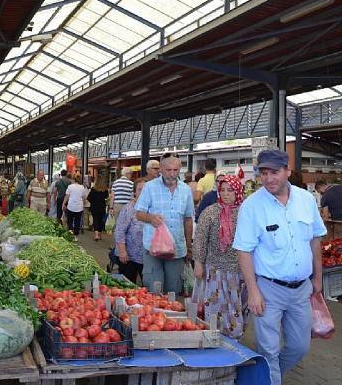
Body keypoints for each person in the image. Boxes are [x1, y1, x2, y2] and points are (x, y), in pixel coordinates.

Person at [233, 149, 327, 385]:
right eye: (263, 173)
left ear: (287, 171)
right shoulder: (252, 206)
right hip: (268, 289)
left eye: (274, 172)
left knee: (300, 346)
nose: (268, 178)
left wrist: (318, 277)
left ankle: (264, 375)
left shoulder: (306, 200)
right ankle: (270, 378)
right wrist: (253, 292)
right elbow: (244, 251)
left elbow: (315, 239)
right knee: (269, 350)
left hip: (301, 289)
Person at [194, 175, 248, 339]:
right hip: (215, 269)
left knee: (239, 306)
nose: (225, 194)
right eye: (222, 190)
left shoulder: (247, 212)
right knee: (216, 306)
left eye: (230, 190)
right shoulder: (210, 212)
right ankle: (215, 336)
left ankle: (234, 337)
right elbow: (200, 239)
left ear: (238, 191)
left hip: (241, 269)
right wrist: (198, 263)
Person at [135, 154, 194, 293]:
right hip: (153, 248)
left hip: (177, 249)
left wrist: (189, 246)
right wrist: (150, 218)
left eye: (175, 170)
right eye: (168, 170)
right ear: (161, 169)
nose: (172, 174)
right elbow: (138, 213)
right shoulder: (149, 187)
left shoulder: (185, 190)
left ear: (180, 169)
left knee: (173, 289)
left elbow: (188, 219)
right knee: (154, 288)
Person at [115, 179, 147, 284]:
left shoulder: (153, 208)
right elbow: (120, 231)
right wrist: (122, 251)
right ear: (134, 193)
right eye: (140, 189)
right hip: (129, 257)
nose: (143, 192)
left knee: (147, 288)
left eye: (146, 190)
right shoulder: (128, 209)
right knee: (129, 286)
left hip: (147, 257)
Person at [62, 174, 85, 240]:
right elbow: (83, 198)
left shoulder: (70, 187)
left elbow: (67, 196)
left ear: (73, 179)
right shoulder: (82, 187)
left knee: (70, 221)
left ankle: (70, 233)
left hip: (71, 207)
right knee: (77, 222)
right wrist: (82, 205)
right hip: (79, 207)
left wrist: (63, 204)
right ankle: (75, 236)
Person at [87, 176, 109, 241]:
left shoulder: (93, 189)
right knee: (100, 221)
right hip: (102, 207)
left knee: (95, 220)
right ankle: (99, 235)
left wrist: (93, 201)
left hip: (94, 207)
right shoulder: (105, 190)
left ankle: (96, 235)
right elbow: (106, 197)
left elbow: (89, 198)